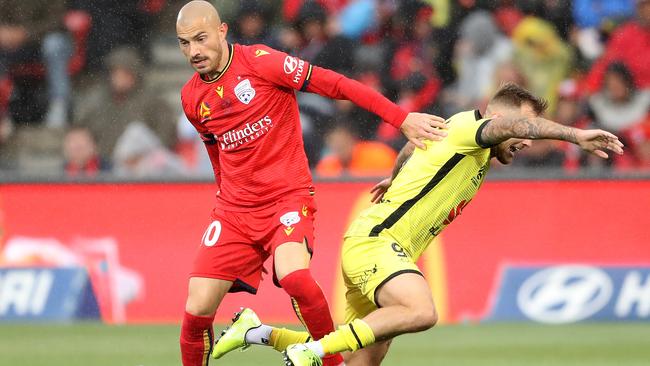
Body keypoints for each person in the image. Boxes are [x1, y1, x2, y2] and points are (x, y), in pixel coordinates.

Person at [215, 83, 624, 366]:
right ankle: (311, 354)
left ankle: (255, 331)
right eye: (524, 127)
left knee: (356, 354)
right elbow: (513, 127)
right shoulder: (472, 128)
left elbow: (415, 142)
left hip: (376, 246)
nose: (528, 141)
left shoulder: (457, 135)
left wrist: (397, 176)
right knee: (421, 310)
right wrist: (575, 136)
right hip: (378, 243)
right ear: (497, 117)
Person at [175, 2, 448, 366]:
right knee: (195, 311)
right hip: (234, 210)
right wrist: (225, 196)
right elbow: (216, 152)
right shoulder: (192, 98)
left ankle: (329, 362)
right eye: (184, 43)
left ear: (222, 31)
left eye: (200, 39)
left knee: (296, 278)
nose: (193, 51)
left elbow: (337, 84)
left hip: (286, 198)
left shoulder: (262, 63)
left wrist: (401, 119)